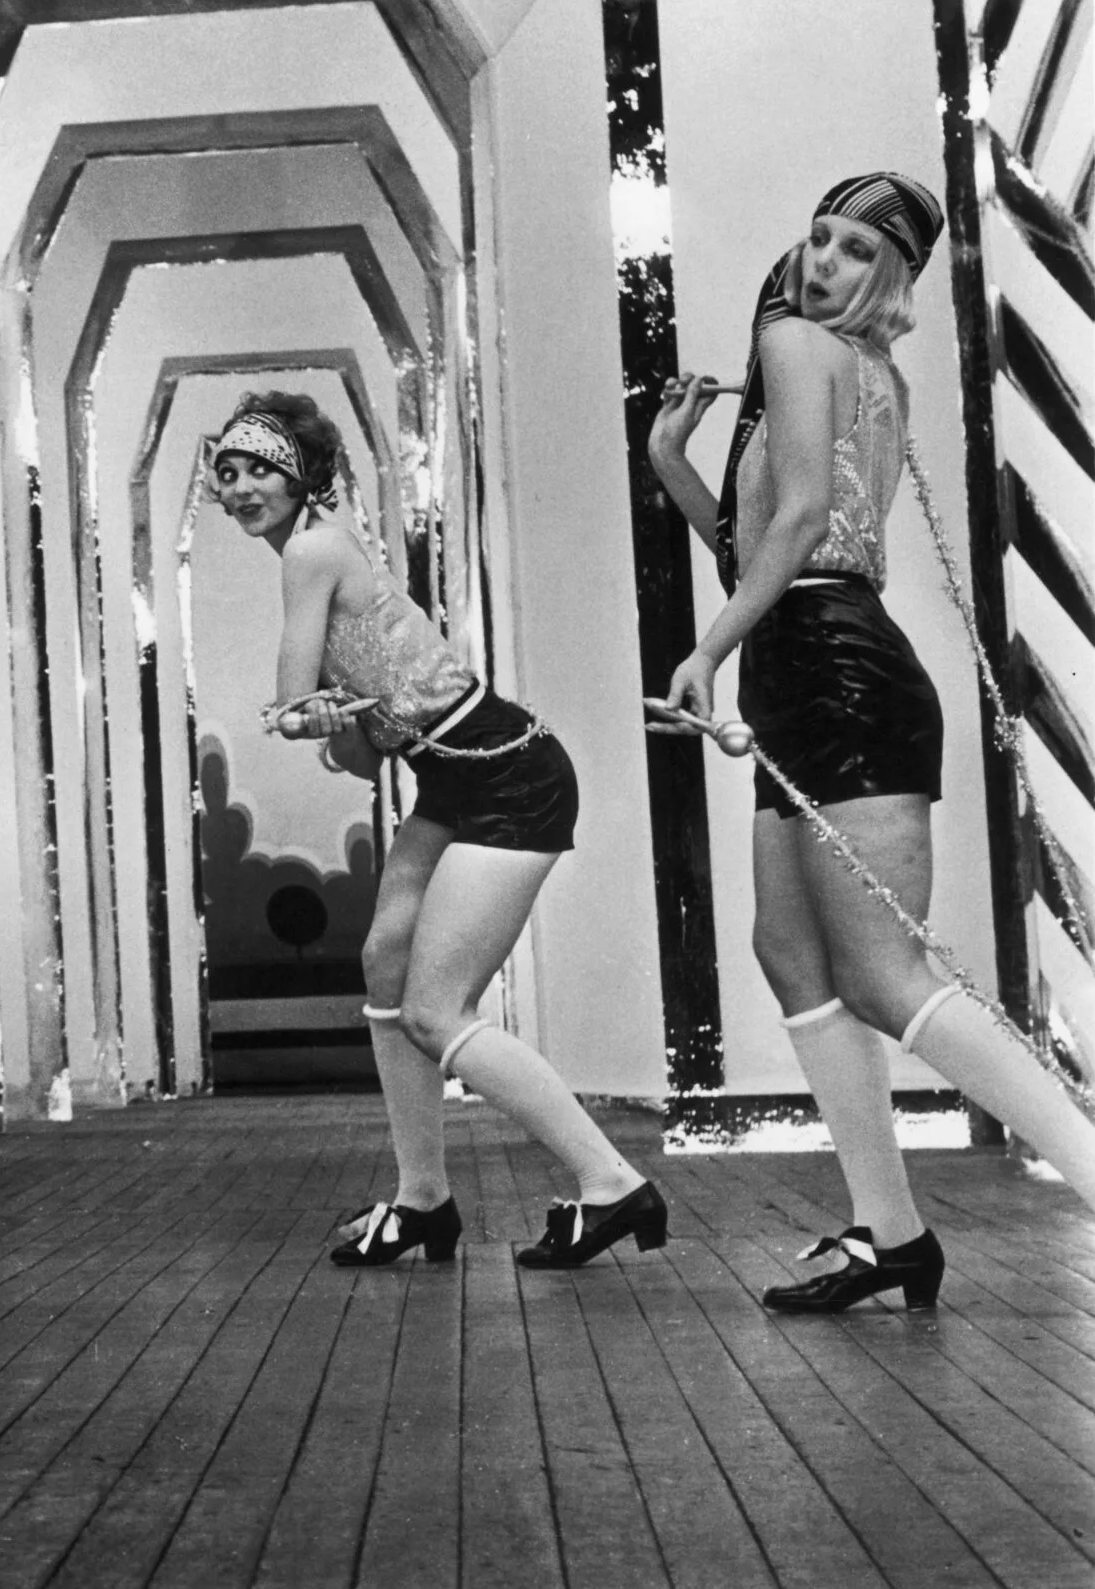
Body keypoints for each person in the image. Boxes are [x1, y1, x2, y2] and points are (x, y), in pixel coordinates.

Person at [650, 173, 1095, 1312]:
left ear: (891, 276)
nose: (821, 262)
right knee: (789, 957)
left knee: (887, 974)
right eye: (816, 237)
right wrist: (671, 466)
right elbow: (758, 537)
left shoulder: (800, 345)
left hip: (835, 667)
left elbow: (800, 529)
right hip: (805, 657)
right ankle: (889, 1234)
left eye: (855, 250)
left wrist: (705, 653)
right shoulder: (859, 369)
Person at [213, 391, 668, 1270]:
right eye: (226, 472)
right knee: (385, 964)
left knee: (434, 1008)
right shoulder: (321, 546)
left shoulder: (310, 548)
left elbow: (290, 698)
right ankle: (423, 1200)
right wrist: (328, 723)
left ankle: (611, 1181)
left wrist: (299, 715)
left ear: (301, 473)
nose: (239, 487)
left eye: (259, 467)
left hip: (508, 773)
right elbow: (352, 755)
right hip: (452, 775)